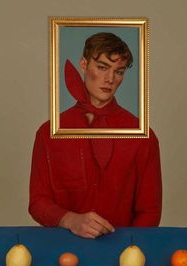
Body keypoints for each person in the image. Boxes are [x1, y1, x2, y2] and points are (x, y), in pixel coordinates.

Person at [29, 32, 162, 239]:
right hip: (62, 248)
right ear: (83, 64)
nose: (110, 79)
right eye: (102, 67)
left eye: (119, 72)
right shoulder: (48, 133)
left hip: (123, 253)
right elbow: (38, 202)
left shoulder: (143, 136)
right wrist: (70, 220)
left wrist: (129, 248)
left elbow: (149, 211)